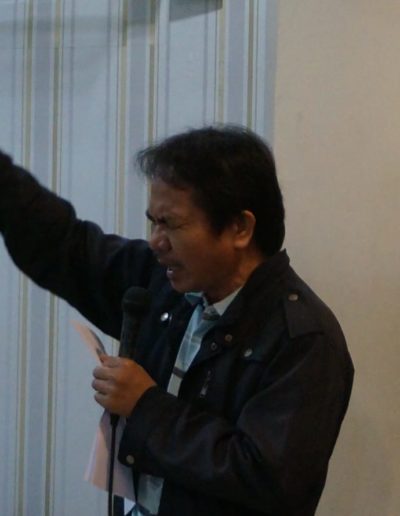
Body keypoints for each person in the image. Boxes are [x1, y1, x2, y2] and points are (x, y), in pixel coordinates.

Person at [0, 126, 353, 516]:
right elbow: (66, 246)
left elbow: (266, 477)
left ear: (240, 228)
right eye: (153, 222)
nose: (156, 241)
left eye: (171, 224)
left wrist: (146, 406)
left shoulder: (304, 339)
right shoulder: (164, 285)